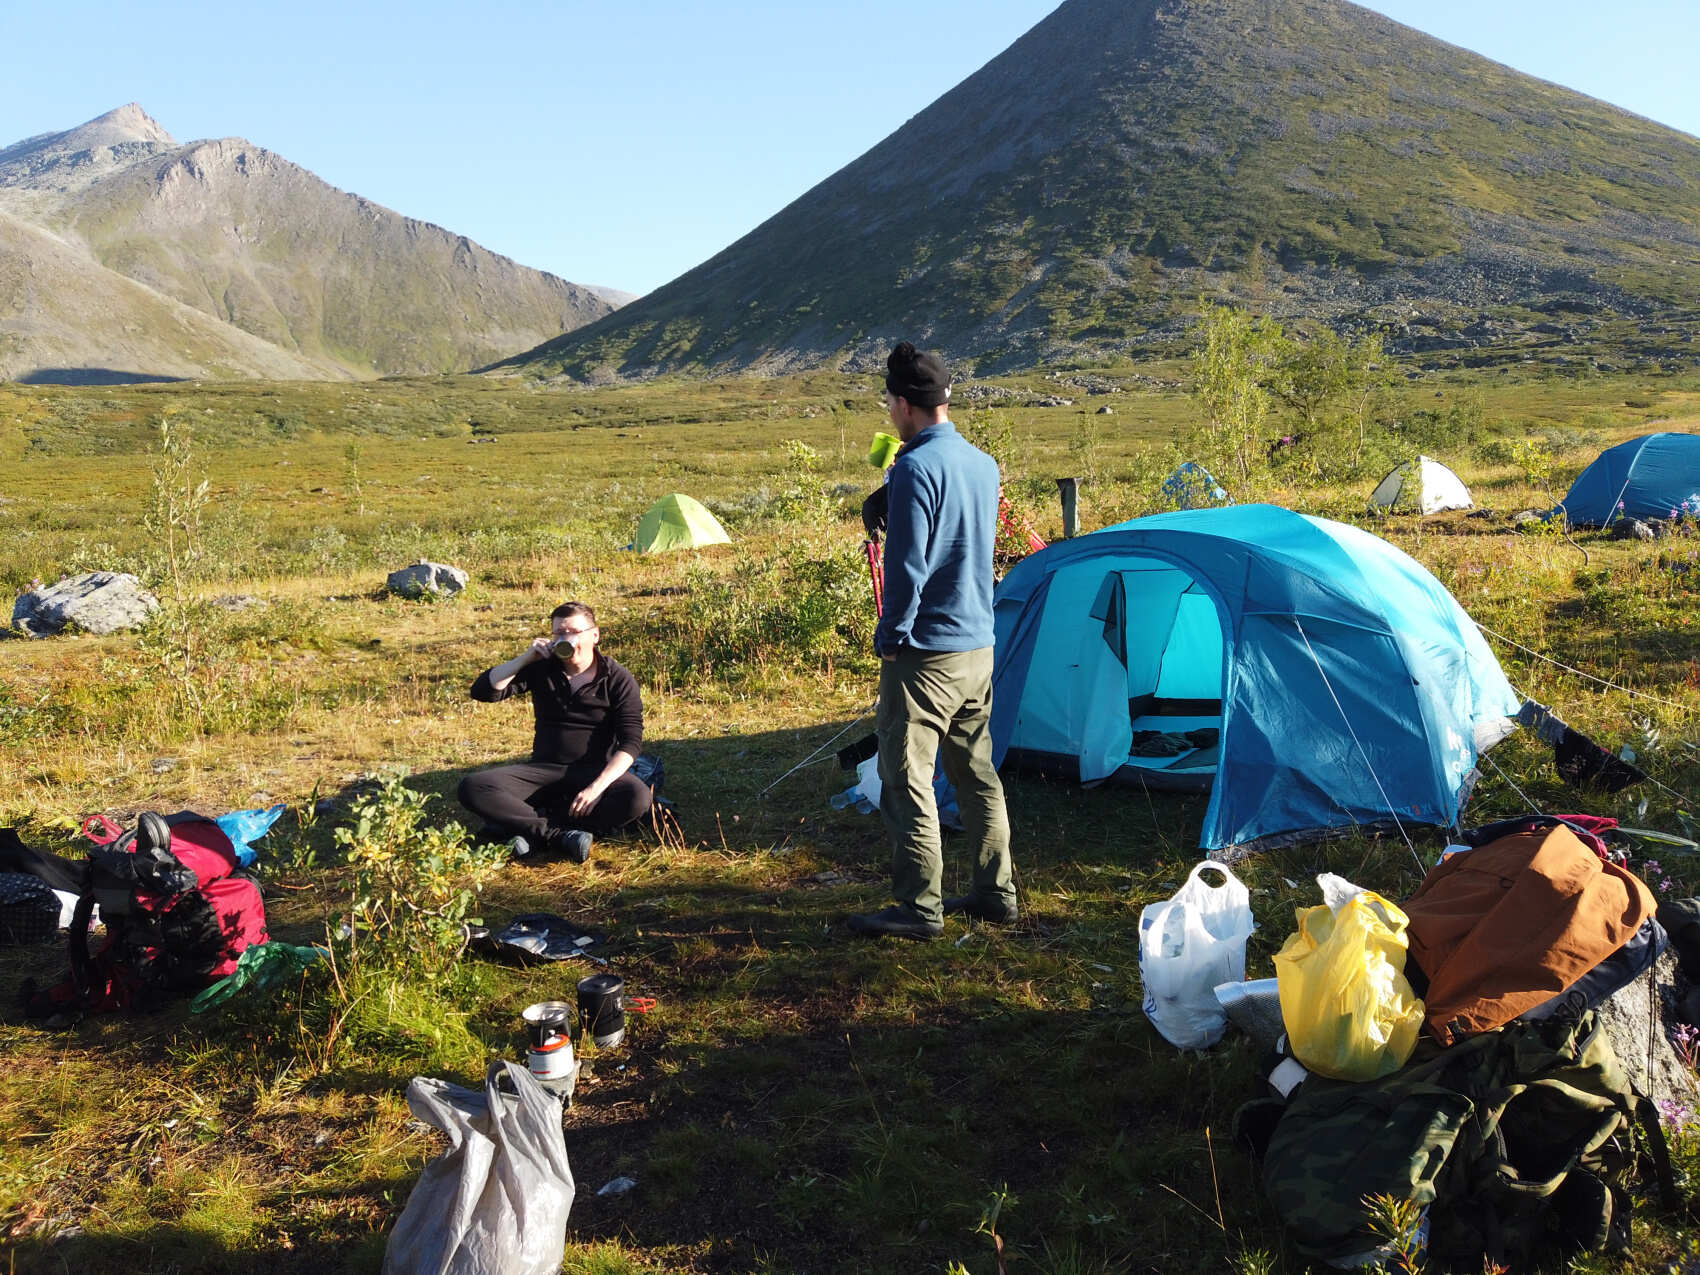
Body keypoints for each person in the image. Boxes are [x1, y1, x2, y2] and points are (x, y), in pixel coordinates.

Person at [848, 342, 1016, 940]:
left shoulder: (914, 469)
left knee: (906, 777)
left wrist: (891, 636)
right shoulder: (983, 463)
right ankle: (997, 894)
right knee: (976, 774)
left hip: (927, 653)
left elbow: (909, 567)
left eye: (890, 403)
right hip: (978, 645)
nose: (889, 414)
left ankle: (920, 909)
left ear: (904, 405)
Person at [457, 601, 651, 860]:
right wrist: (526, 658)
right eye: (559, 633)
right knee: (473, 787)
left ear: (594, 635)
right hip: (542, 771)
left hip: (592, 772)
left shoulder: (617, 678)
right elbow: (483, 691)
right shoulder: (542, 668)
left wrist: (597, 788)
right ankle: (558, 835)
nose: (565, 639)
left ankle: (523, 829)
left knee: (637, 797)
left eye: (572, 632)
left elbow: (631, 742)